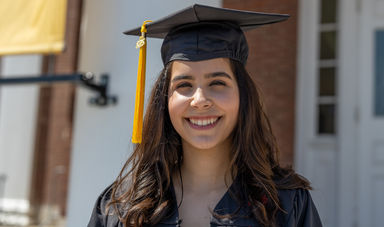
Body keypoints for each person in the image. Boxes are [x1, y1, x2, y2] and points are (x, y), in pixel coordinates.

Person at [87, 4, 322, 227]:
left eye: (218, 82)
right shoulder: (121, 207)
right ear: (164, 100)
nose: (200, 100)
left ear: (243, 95)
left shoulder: (285, 205)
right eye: (184, 84)